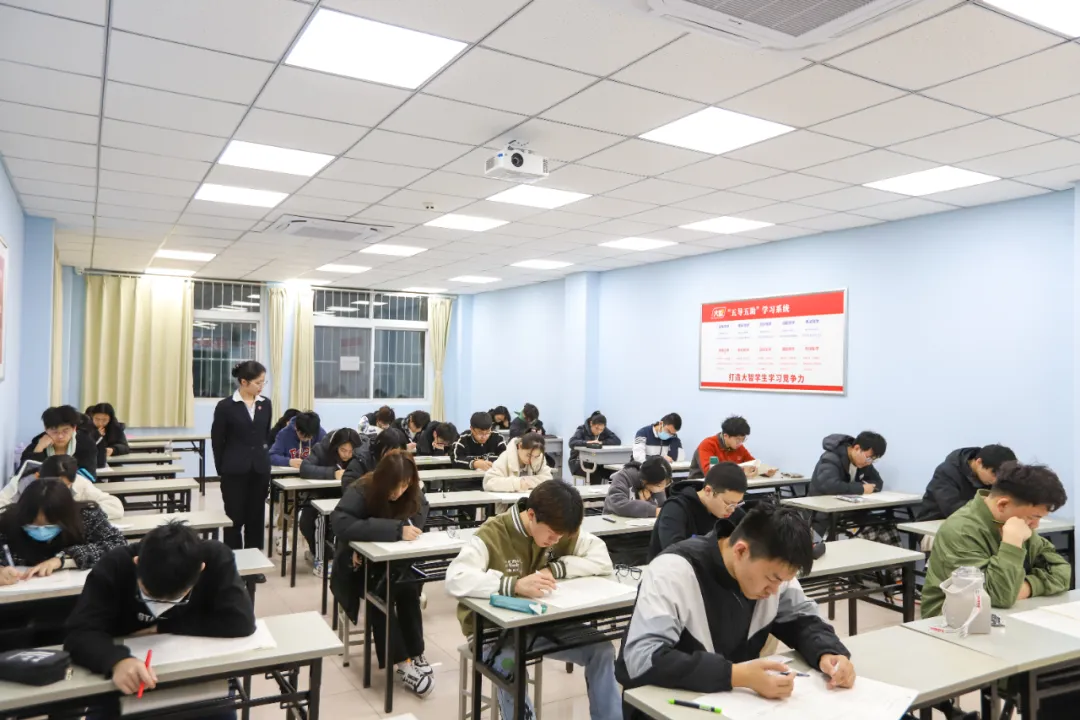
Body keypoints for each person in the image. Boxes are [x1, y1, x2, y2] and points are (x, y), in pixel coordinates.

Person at [615, 504, 854, 715]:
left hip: (733, 704)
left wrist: (827, 652)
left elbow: (803, 620)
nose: (775, 590)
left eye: (782, 581)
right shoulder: (673, 571)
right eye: (772, 579)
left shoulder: (774, 572)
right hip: (666, 707)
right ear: (741, 551)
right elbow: (641, 659)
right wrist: (736, 675)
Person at [445, 481, 620, 720]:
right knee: (511, 668)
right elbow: (455, 578)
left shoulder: (560, 529)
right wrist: (513, 585)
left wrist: (557, 568)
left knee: (602, 650)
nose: (556, 541)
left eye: (561, 536)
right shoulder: (493, 533)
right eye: (552, 535)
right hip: (492, 633)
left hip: (542, 623)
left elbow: (602, 560)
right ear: (531, 515)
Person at [64, 521, 256, 709]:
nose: (161, 606)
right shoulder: (115, 564)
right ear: (136, 563)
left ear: (200, 569)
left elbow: (241, 621)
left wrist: (164, 626)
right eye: (148, 594)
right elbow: (79, 633)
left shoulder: (216, 558)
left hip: (193, 680)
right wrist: (117, 661)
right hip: (128, 684)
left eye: (177, 598)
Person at [330, 450, 433, 697]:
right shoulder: (362, 489)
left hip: (396, 563)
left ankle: (416, 651)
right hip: (360, 565)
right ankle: (402, 663)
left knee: (408, 589)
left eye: (404, 486)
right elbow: (340, 522)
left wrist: (408, 529)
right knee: (380, 594)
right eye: (394, 486)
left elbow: (421, 511)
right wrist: (394, 530)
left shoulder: (411, 490)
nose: (398, 492)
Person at [921, 462, 1070, 618]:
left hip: (1004, 614)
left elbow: (1061, 571)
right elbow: (999, 596)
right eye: (1034, 517)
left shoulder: (1015, 522)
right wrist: (1012, 544)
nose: (1035, 525)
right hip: (950, 619)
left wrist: (1029, 586)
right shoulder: (961, 530)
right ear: (1003, 505)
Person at [211, 361, 272, 550]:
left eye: (263, 382)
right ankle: (233, 559)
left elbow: (265, 436)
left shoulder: (265, 404)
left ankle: (255, 559)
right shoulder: (225, 406)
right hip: (233, 471)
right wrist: (222, 469)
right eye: (258, 382)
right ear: (244, 382)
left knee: (256, 517)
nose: (261, 386)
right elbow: (217, 441)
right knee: (234, 517)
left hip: (259, 470)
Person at [649, 462, 747, 561]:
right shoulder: (675, 509)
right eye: (728, 503)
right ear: (708, 491)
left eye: (737, 504)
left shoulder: (732, 510)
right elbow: (675, 556)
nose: (732, 509)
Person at [807, 431, 890, 540]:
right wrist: (861, 488)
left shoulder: (863, 463)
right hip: (823, 517)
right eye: (869, 458)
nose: (869, 462)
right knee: (867, 535)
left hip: (848, 516)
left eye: (873, 460)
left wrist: (870, 488)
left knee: (886, 528)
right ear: (857, 448)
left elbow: (878, 482)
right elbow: (830, 486)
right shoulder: (831, 458)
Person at [0, 455, 123, 521]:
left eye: (64, 486)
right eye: (51, 484)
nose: (57, 490)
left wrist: (74, 512)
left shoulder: (80, 483)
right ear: (38, 477)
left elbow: (115, 507)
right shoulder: (20, 485)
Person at [916, 444, 1018, 521]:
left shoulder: (997, 477)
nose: (996, 481)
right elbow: (952, 509)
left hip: (976, 525)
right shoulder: (946, 472)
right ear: (979, 462)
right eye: (994, 474)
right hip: (935, 523)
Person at [21, 405, 100, 479]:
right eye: (54, 431)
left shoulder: (86, 444)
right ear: (45, 429)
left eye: (65, 431)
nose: (60, 436)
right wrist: (38, 449)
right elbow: (23, 476)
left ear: (74, 428)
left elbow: (89, 476)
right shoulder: (37, 444)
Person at [689, 416, 775, 480]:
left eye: (743, 439)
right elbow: (710, 473)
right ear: (726, 436)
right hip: (701, 488)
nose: (740, 443)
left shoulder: (738, 447)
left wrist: (764, 472)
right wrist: (742, 472)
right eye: (738, 439)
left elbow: (753, 464)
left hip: (727, 488)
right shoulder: (708, 444)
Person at [604, 456, 672, 518]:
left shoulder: (657, 485)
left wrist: (649, 501)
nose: (663, 489)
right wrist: (653, 511)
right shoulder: (624, 476)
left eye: (666, 484)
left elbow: (662, 507)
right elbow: (617, 504)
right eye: (659, 485)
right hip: (614, 522)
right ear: (645, 481)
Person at [483, 432, 552, 492]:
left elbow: (548, 479)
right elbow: (488, 483)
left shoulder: (539, 457)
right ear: (520, 446)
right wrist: (516, 483)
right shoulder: (505, 458)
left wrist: (526, 481)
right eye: (528, 455)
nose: (531, 460)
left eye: (536, 456)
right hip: (509, 501)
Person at [568, 411, 622, 484]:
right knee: (595, 472)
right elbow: (572, 442)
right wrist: (587, 443)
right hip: (578, 463)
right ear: (591, 423)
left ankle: (612, 490)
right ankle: (595, 491)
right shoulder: (582, 429)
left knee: (614, 472)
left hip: (596, 463)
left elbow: (617, 440)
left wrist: (601, 443)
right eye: (596, 428)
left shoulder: (603, 429)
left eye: (601, 429)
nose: (599, 431)